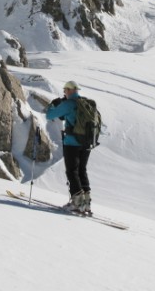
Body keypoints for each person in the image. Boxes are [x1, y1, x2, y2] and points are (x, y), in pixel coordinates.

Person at [46, 80, 92, 213]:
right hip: (86, 142)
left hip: (72, 143)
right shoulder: (84, 103)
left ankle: (77, 203)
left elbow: (50, 115)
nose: (64, 93)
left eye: (65, 90)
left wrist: (53, 105)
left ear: (70, 90)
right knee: (82, 170)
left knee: (72, 171)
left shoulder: (69, 104)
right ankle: (86, 203)